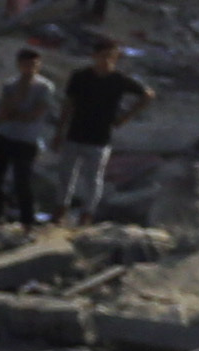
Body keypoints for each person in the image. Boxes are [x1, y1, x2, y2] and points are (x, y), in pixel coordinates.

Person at [59, 37, 153, 225]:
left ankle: (87, 214)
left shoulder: (119, 80)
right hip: (76, 132)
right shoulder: (80, 76)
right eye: (103, 56)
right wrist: (59, 131)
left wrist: (125, 117)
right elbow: (69, 104)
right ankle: (59, 211)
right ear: (94, 56)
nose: (107, 60)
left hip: (100, 136)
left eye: (112, 56)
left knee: (93, 179)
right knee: (66, 175)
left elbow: (147, 95)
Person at [0, 45, 61, 226]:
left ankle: (27, 220)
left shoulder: (44, 87)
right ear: (19, 65)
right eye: (27, 64)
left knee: (22, 181)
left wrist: (15, 114)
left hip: (26, 139)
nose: (30, 68)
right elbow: (4, 110)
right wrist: (19, 95)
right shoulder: (10, 84)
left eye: (34, 64)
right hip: (3, 135)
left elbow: (35, 114)